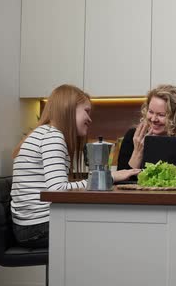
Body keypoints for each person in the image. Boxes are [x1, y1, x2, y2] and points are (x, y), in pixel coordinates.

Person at [11, 85, 140, 248]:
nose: (90, 118)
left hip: (29, 226)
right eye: (86, 111)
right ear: (69, 109)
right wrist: (109, 178)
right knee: (111, 227)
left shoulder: (44, 132)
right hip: (38, 227)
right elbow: (57, 189)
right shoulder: (53, 137)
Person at [117, 84, 176, 172]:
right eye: (150, 112)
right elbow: (121, 180)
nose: (153, 119)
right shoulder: (133, 136)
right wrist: (138, 152)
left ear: (175, 118)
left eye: (161, 115)